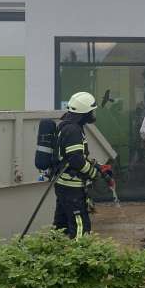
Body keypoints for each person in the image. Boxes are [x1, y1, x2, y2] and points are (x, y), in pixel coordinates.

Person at [53, 91, 112, 239]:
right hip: (71, 187)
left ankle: (55, 249)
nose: (93, 114)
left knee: (61, 225)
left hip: (63, 185)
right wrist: (93, 173)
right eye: (91, 111)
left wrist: (94, 164)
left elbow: (74, 156)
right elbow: (75, 159)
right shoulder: (74, 130)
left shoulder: (66, 125)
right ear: (84, 113)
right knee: (80, 226)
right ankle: (80, 252)